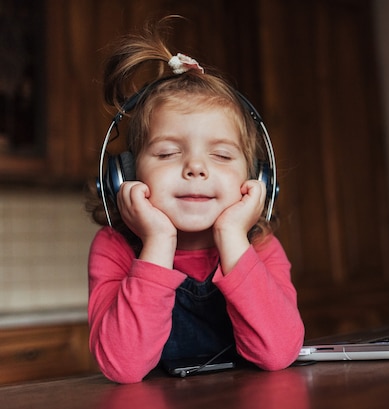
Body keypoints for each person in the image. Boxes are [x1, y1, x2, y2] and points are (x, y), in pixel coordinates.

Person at [85, 18, 304, 384]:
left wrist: (232, 236)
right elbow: (122, 367)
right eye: (169, 153)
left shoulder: (260, 248)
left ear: (255, 180)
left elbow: (278, 353)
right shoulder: (115, 248)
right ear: (126, 175)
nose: (196, 168)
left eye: (221, 155)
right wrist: (157, 242)